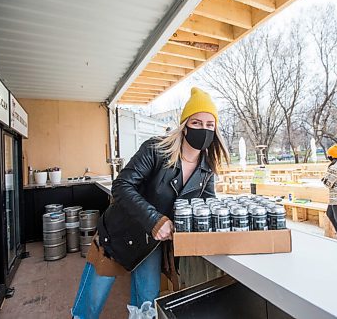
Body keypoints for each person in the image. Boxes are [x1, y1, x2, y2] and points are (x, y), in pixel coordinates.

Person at [71, 87, 229, 319]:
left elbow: (205, 205)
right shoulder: (157, 149)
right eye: (196, 123)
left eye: (209, 124)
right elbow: (122, 185)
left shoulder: (206, 169)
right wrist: (154, 219)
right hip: (117, 236)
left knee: (145, 308)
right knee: (90, 306)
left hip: (151, 247)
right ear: (184, 126)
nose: (203, 129)